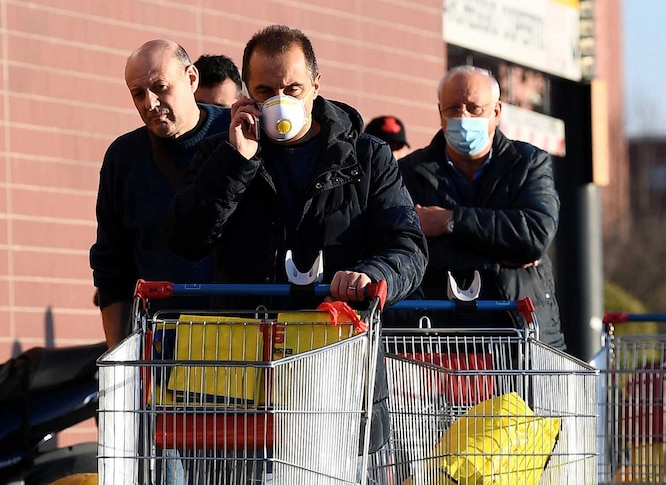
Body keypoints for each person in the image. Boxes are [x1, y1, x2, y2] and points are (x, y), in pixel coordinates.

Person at [162, 25, 427, 453]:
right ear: (247, 93)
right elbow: (185, 239)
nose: (279, 100)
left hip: (336, 367)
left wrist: (372, 275)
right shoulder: (221, 152)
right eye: (265, 90)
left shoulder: (366, 156)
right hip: (242, 373)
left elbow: (408, 247)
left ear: (317, 86)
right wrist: (236, 161)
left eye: (293, 88)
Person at [397, 65, 566, 351]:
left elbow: (534, 236)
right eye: (453, 108)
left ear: (497, 112)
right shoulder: (409, 172)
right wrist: (501, 249)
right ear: (440, 113)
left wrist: (449, 222)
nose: (463, 117)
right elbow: (407, 249)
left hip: (521, 337)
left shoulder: (528, 164)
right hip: (440, 342)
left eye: (474, 108)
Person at [90, 40, 231, 348]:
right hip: (162, 348)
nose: (150, 102)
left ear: (191, 79)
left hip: (246, 339)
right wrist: (120, 360)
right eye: (138, 94)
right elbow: (112, 267)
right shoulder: (124, 158)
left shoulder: (239, 131)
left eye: (160, 87)